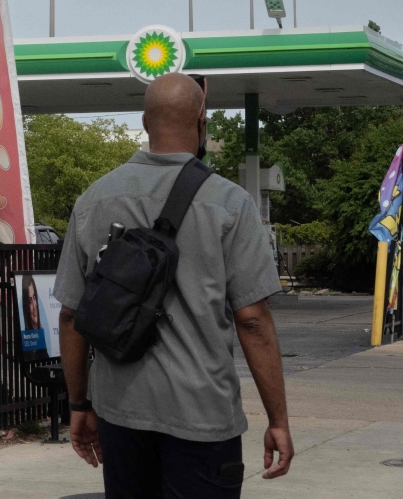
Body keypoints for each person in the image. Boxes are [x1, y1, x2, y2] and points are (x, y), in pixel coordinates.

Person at [55, 73, 293, 498]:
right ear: (203, 121)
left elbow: (72, 315)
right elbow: (253, 321)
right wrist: (278, 421)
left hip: (120, 415)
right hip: (203, 418)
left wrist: (79, 405)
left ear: (146, 123)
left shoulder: (94, 199)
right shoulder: (229, 203)